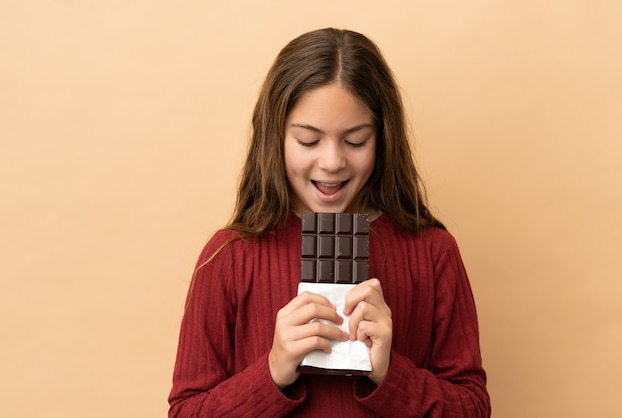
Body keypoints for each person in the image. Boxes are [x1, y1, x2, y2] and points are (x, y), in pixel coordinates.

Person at [168, 28, 490, 417]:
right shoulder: (229, 257)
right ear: (276, 137)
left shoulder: (433, 253)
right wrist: (271, 372)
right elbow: (185, 412)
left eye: (355, 141)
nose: (333, 161)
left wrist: (390, 372)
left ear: (383, 139)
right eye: (308, 141)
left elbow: (472, 409)